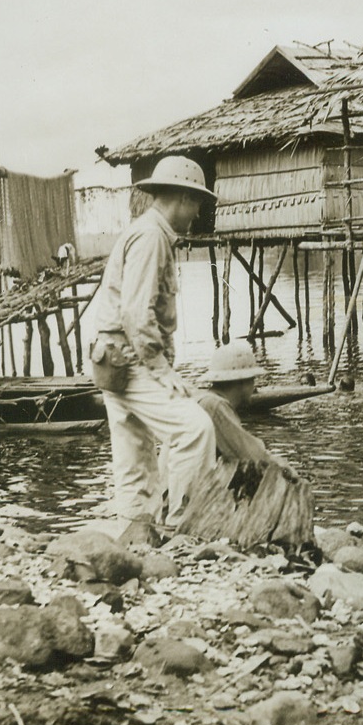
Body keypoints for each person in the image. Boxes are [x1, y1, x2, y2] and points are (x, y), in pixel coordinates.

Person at [89, 155, 218, 526]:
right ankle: (184, 523)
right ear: (182, 198)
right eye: (195, 204)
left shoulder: (144, 230)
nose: (196, 214)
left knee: (135, 455)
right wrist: (162, 369)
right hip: (129, 360)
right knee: (195, 430)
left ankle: (136, 535)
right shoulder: (152, 237)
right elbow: (134, 312)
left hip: (109, 359)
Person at [196, 340, 292, 468]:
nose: (254, 387)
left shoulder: (204, 399)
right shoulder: (214, 406)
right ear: (242, 382)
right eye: (252, 380)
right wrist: (284, 466)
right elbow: (249, 452)